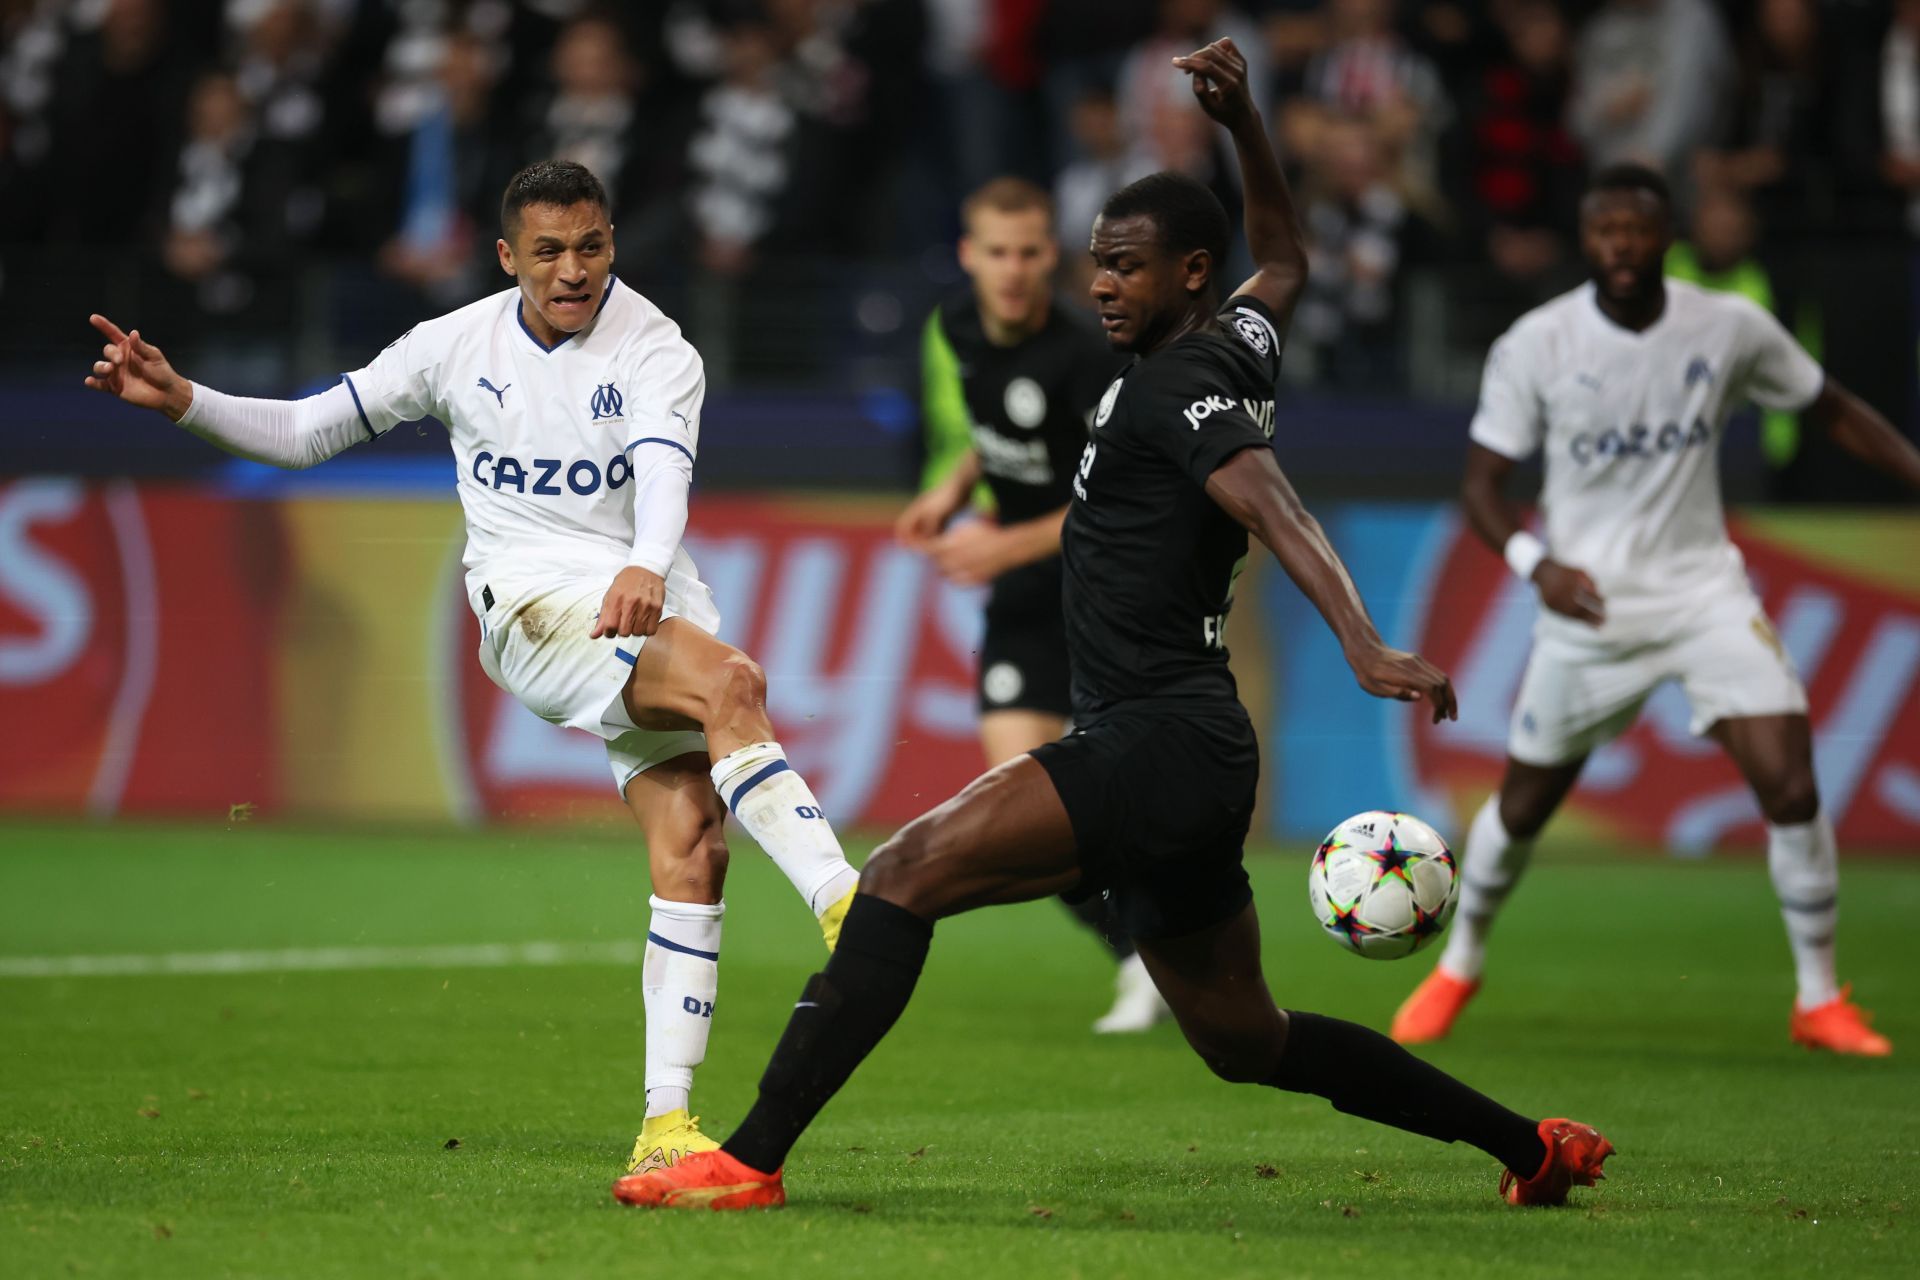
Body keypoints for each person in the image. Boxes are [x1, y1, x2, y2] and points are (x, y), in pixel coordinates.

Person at [612, 39, 1611, 1213]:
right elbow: (1285, 256)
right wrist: (1245, 125)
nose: (1101, 287)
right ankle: (1530, 1147)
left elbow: (1270, 496)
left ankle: (749, 1157)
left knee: (898, 874)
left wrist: (1360, 638)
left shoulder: (1174, 382)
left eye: (1126, 268)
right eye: (1098, 265)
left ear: (1191, 272)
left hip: (1152, 735)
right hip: (1187, 746)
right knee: (1245, 1035)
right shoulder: (1233, 340)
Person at [82, 160, 864, 1175]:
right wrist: (185, 398)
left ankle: (665, 1121)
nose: (572, 269)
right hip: (534, 605)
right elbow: (312, 428)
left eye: (590, 246)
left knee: (693, 839)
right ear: (509, 256)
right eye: (548, 251)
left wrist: (642, 562)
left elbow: (667, 472)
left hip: (639, 591)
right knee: (733, 687)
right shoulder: (453, 345)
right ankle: (850, 904)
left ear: (612, 242)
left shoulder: (660, 348)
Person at [1391, 163, 1920, 1056]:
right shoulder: (1539, 343)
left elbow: (1828, 408)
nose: (1623, 248)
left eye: (1638, 231)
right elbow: (1483, 484)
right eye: (1607, 232)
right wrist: (1536, 563)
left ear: (1665, 235)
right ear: (1588, 238)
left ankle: (1820, 998)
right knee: (1520, 808)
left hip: (1704, 592)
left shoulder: (1728, 325)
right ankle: (1459, 966)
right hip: (1588, 609)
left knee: (1791, 781)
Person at [895, 175, 1165, 1034]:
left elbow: (1116, 497)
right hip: (1022, 596)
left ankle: (1166, 941)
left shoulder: (1089, 356)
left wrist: (1002, 543)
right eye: (997, 253)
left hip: (1102, 594)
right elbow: (991, 430)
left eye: (1029, 253)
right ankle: (1140, 952)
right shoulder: (959, 325)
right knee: (1021, 806)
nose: (1012, 271)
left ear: (1053, 258)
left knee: (1092, 801)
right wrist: (952, 486)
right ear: (971, 256)